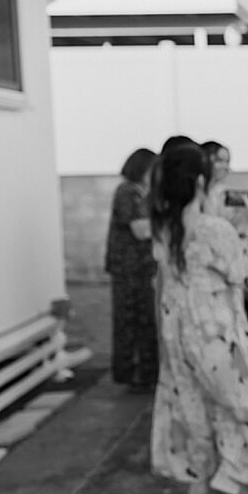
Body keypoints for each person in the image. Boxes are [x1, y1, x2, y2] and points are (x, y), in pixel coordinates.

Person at [148, 140, 248, 494]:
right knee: (241, 400)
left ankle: (201, 480)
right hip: (214, 331)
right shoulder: (212, 229)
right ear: (199, 182)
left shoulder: (165, 227)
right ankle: (230, 476)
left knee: (195, 401)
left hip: (177, 327)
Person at [104, 147, 159, 391]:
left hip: (140, 268)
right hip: (129, 269)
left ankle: (144, 371)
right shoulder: (128, 192)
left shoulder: (141, 193)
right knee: (131, 321)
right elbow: (140, 230)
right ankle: (133, 372)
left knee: (144, 320)